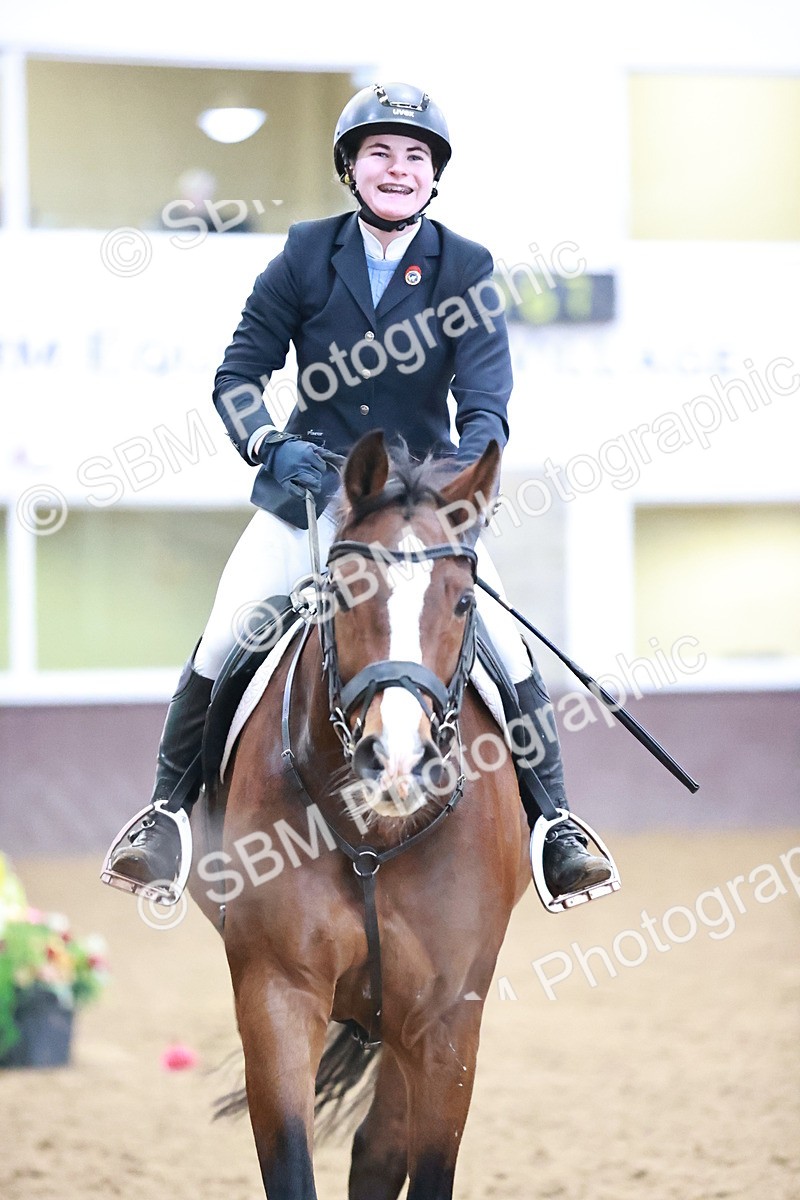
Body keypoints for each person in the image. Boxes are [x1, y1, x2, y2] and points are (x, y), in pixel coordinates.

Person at [103, 82, 615, 908]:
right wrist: (272, 444)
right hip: (308, 500)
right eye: (380, 152)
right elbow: (239, 374)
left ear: (434, 177)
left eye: (415, 156)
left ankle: (555, 825)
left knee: (510, 656)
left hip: (417, 511)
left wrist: (457, 490)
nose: (398, 168)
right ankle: (163, 816)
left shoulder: (466, 266)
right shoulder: (307, 253)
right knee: (223, 636)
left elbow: (485, 405)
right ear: (351, 167)